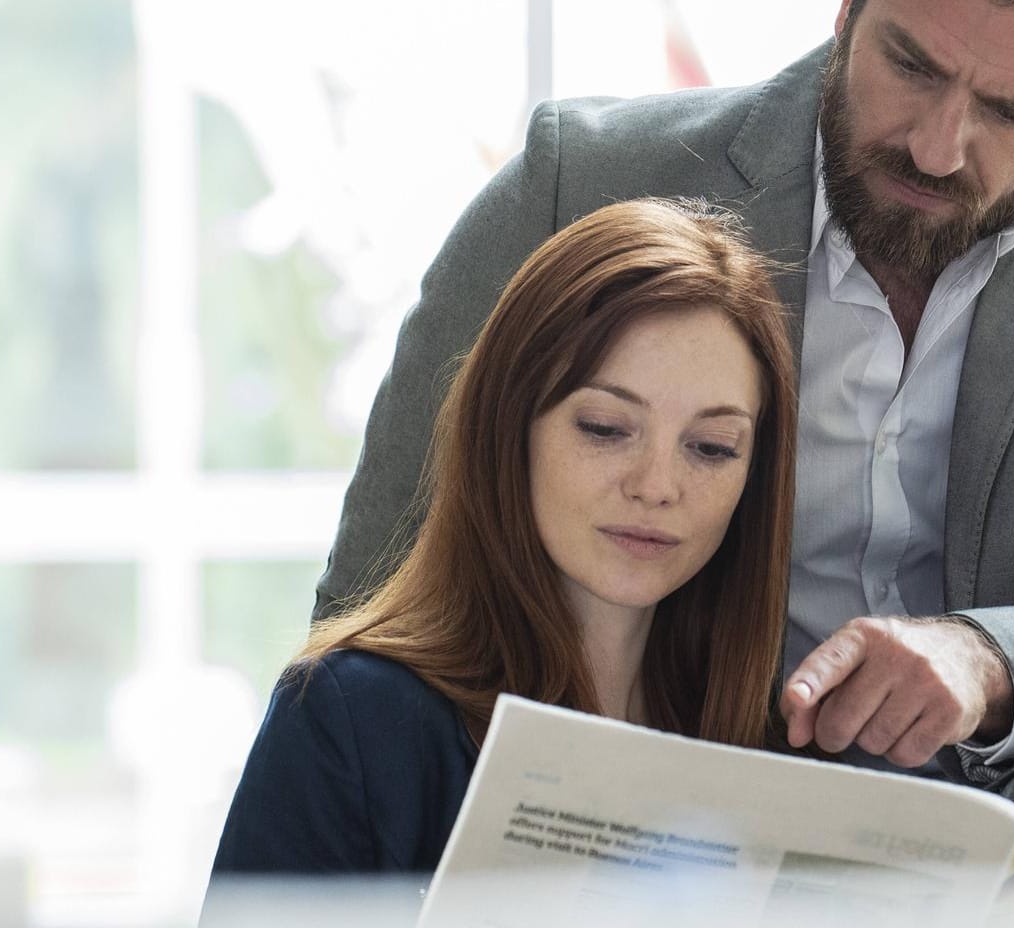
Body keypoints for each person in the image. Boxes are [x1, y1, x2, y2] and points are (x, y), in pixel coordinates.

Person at [315, 0, 1014, 801]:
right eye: (909, 66)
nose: (937, 148)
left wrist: (986, 663)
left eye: (1009, 112)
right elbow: (377, 588)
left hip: (993, 842)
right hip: (620, 811)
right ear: (844, 14)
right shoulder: (579, 187)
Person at [208, 198, 798, 876]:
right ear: (509, 426)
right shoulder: (351, 721)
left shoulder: (770, 749)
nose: (657, 485)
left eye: (711, 447)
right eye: (605, 429)